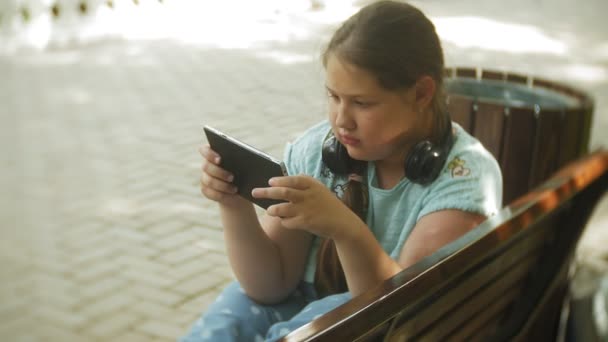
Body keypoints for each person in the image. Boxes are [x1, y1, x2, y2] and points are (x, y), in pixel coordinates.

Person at [182, 1, 502, 341]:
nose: (340, 120)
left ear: (422, 92)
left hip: (382, 322)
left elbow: (402, 318)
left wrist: (346, 229)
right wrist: (234, 205)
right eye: (333, 96)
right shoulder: (316, 151)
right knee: (225, 322)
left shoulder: (463, 179)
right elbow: (269, 286)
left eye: (362, 103)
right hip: (313, 309)